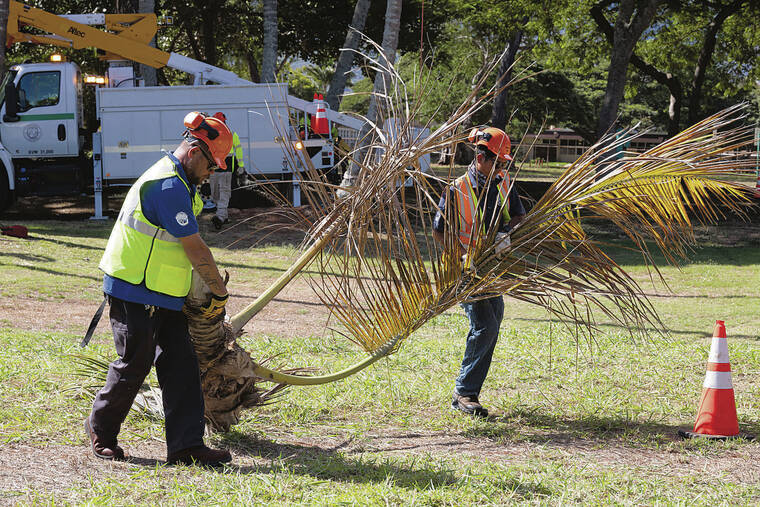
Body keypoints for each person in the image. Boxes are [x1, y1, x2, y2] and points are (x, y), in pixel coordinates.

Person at [85, 112, 234, 466]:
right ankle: (101, 430)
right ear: (194, 151)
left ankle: (185, 447)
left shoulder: (182, 183)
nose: (213, 171)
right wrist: (219, 293)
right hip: (133, 288)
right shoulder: (167, 185)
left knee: (181, 364)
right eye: (212, 164)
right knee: (135, 361)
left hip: (161, 292)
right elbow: (195, 248)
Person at [432, 126, 526, 418]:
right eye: (496, 162)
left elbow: (520, 215)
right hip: (466, 269)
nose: (500, 168)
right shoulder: (457, 188)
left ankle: (468, 391)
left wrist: (507, 233)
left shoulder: (502, 182)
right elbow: (439, 232)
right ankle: (464, 393)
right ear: (480, 155)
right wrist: (461, 256)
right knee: (485, 325)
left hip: (491, 267)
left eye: (503, 164)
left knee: (493, 322)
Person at [209, 111, 245, 229]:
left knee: (222, 193)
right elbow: (238, 150)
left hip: (222, 168)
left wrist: (241, 165)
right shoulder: (228, 134)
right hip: (219, 168)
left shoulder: (227, 134)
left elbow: (238, 150)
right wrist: (240, 166)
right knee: (218, 194)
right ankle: (223, 217)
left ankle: (219, 217)